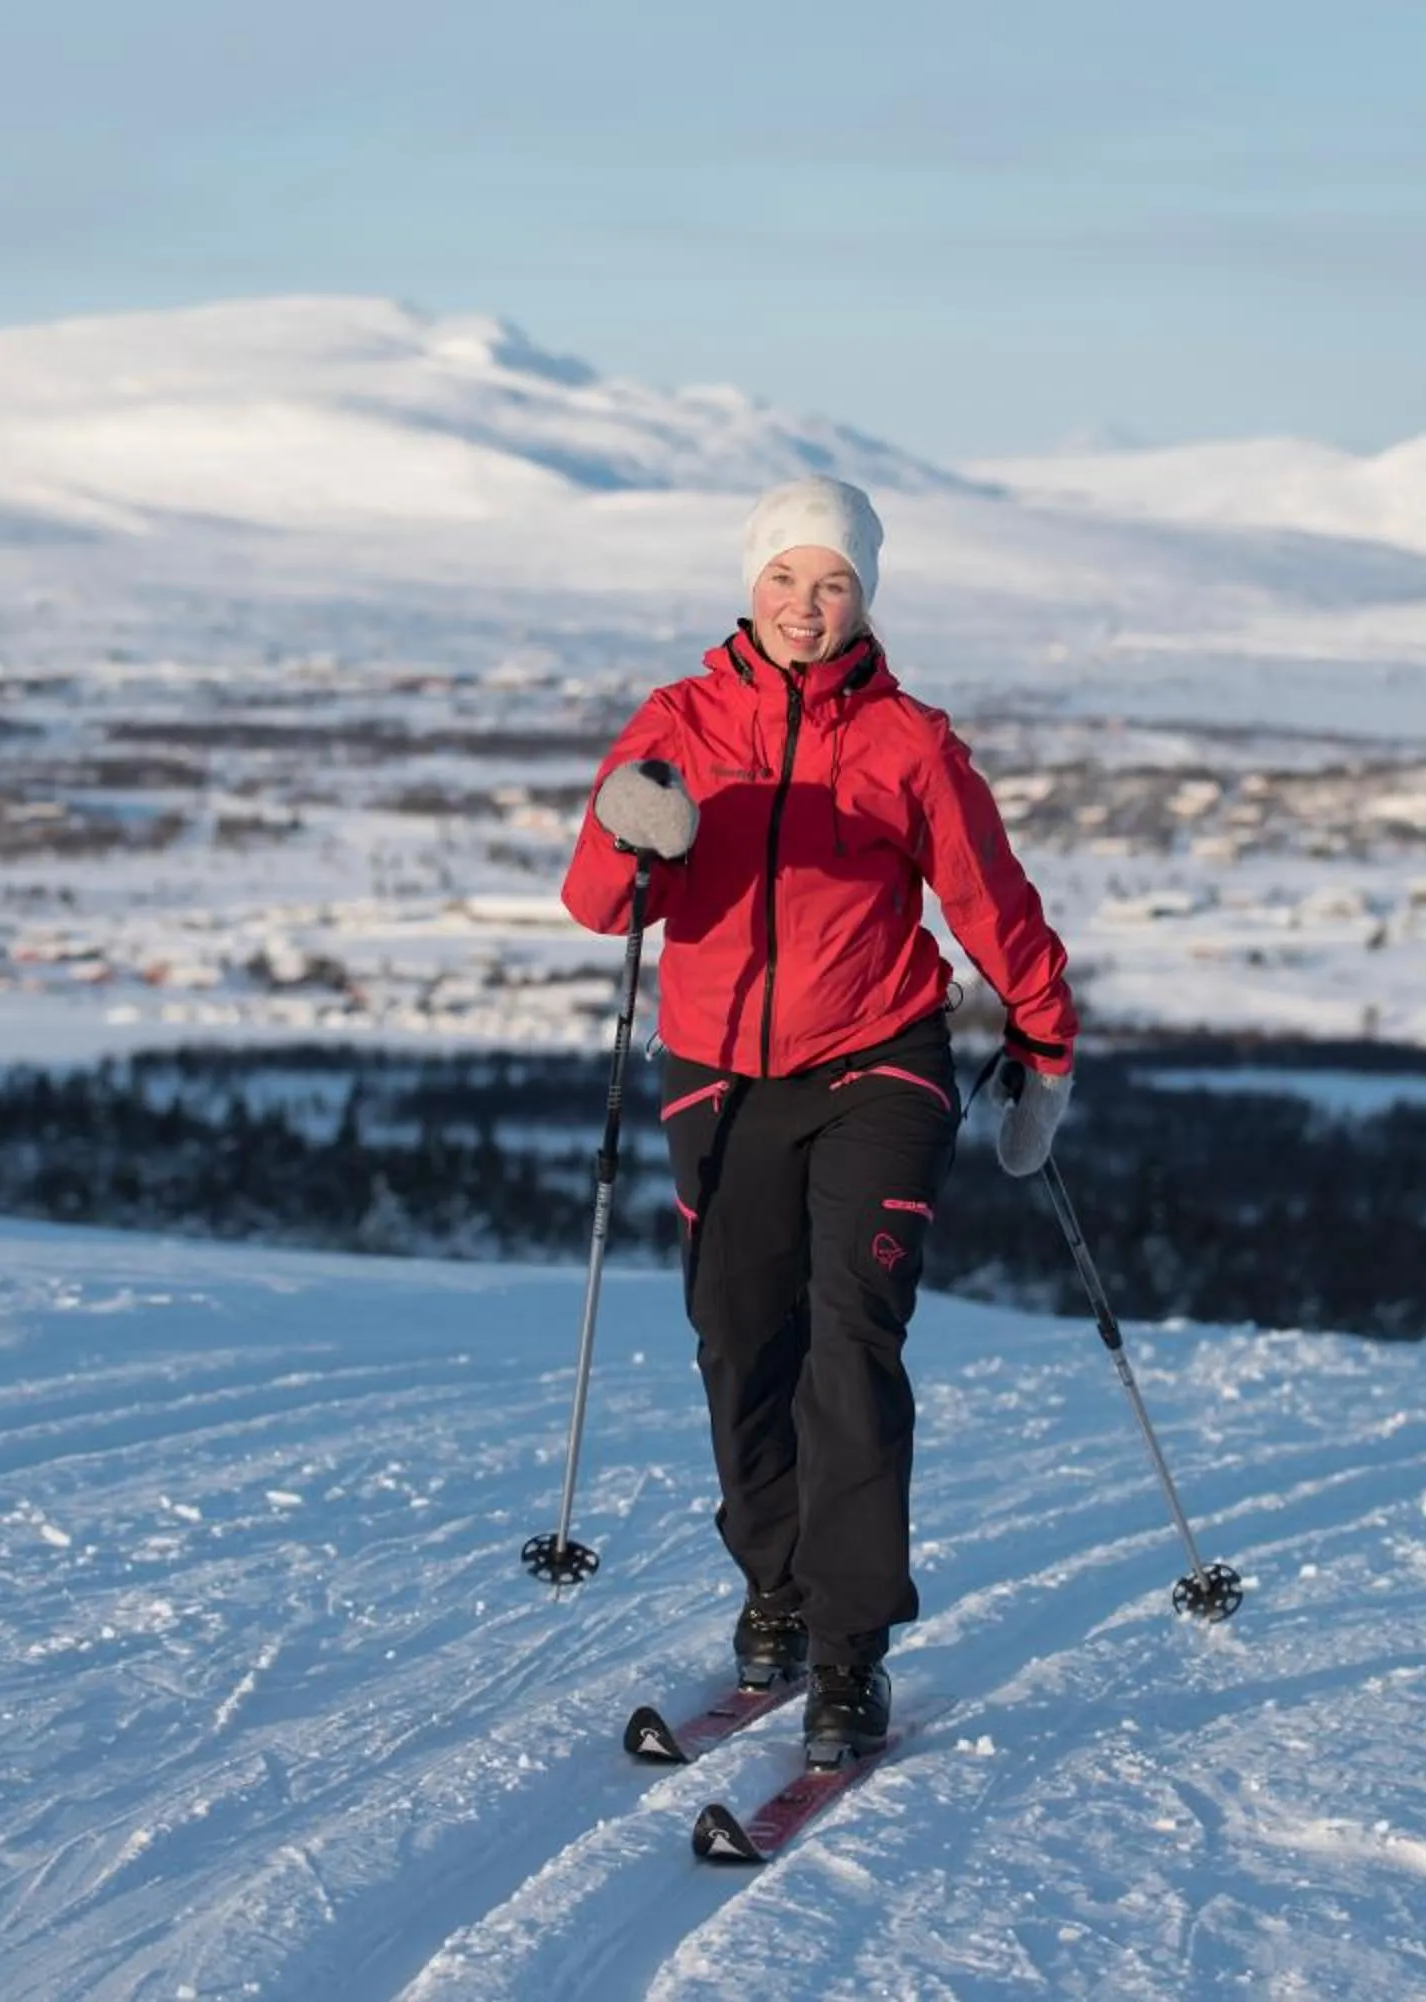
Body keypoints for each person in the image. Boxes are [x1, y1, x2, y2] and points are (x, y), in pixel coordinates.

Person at [560, 475, 1079, 1768]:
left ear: (865, 597)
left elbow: (988, 898)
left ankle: (849, 1649)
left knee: (851, 1343)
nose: (806, 605)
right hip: (719, 1072)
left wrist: (1046, 1036)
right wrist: (638, 837)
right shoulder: (678, 722)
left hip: (879, 1063)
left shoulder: (910, 741)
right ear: (752, 585)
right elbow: (598, 905)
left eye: (833, 582)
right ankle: (775, 1589)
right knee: (743, 1342)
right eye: (787, 578)